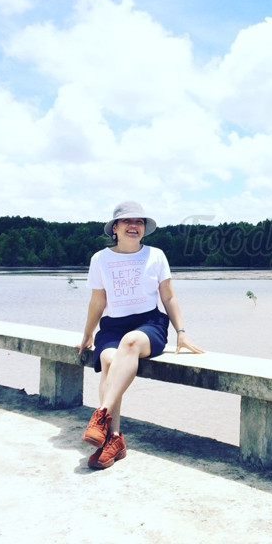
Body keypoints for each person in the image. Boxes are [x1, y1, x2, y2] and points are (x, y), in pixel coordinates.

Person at [77, 200, 203, 469]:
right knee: (109, 360)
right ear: (115, 228)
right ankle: (114, 439)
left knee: (130, 342)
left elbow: (168, 297)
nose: (134, 226)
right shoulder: (100, 259)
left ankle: (101, 415)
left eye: (139, 222)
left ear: (144, 228)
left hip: (149, 325)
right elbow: (98, 302)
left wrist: (181, 332)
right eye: (127, 221)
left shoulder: (156, 255)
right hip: (112, 326)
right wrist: (88, 333)